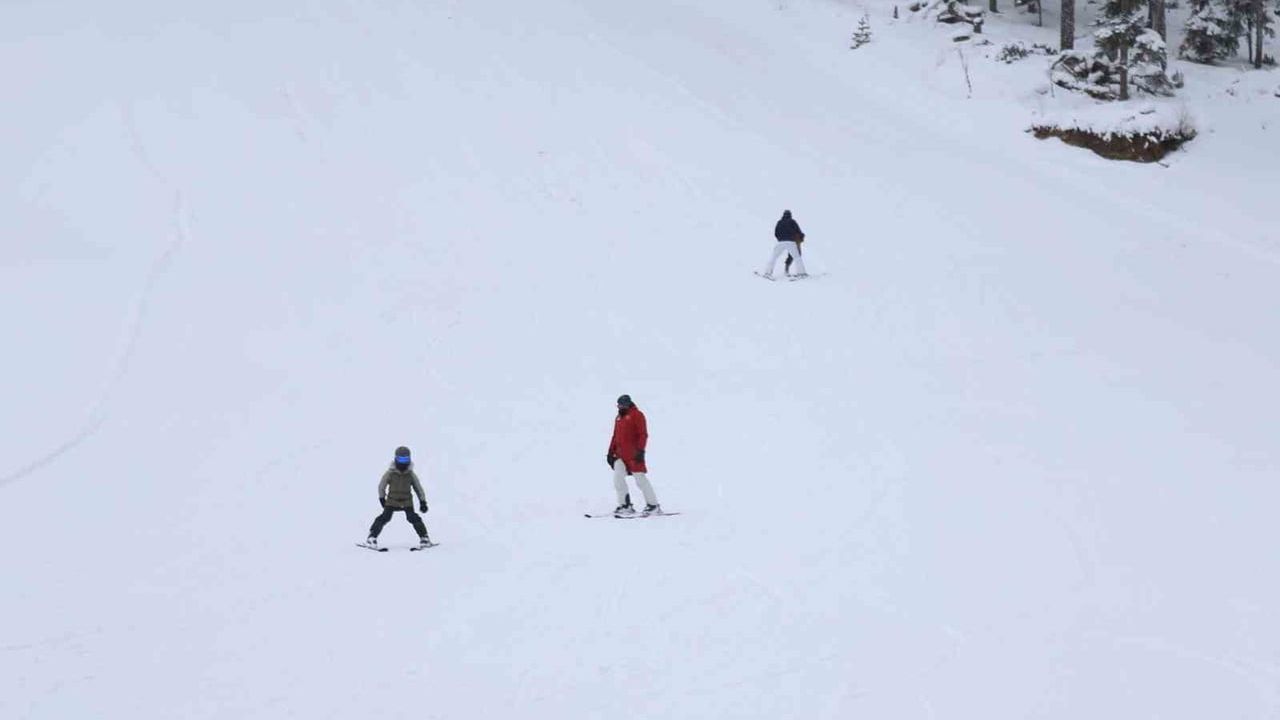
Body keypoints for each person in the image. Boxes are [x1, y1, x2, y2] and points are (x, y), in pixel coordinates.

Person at [365, 446, 431, 548]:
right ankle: (371, 537)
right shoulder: (390, 473)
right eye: (401, 459)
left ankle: (424, 538)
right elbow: (381, 486)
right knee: (385, 517)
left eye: (406, 459)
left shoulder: (410, 474)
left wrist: (423, 502)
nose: (403, 462)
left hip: (406, 501)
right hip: (392, 501)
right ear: (396, 459)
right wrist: (382, 498)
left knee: (412, 517)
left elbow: (418, 488)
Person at [607, 394, 661, 516]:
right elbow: (615, 436)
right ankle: (625, 506)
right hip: (620, 455)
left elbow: (643, 434)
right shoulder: (618, 418)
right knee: (618, 479)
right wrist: (610, 452)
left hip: (634, 455)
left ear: (627, 404)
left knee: (640, 480)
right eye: (618, 405)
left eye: (621, 405)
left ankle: (653, 506)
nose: (619, 407)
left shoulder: (637, 415)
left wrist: (641, 451)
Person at [760, 209, 808, 279]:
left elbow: (776, 233)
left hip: (780, 242)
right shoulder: (792, 222)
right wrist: (800, 237)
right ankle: (801, 273)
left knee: (773, 257)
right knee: (797, 257)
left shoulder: (779, 222)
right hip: (790, 242)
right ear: (790, 215)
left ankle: (767, 272)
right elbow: (798, 231)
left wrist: (780, 239)